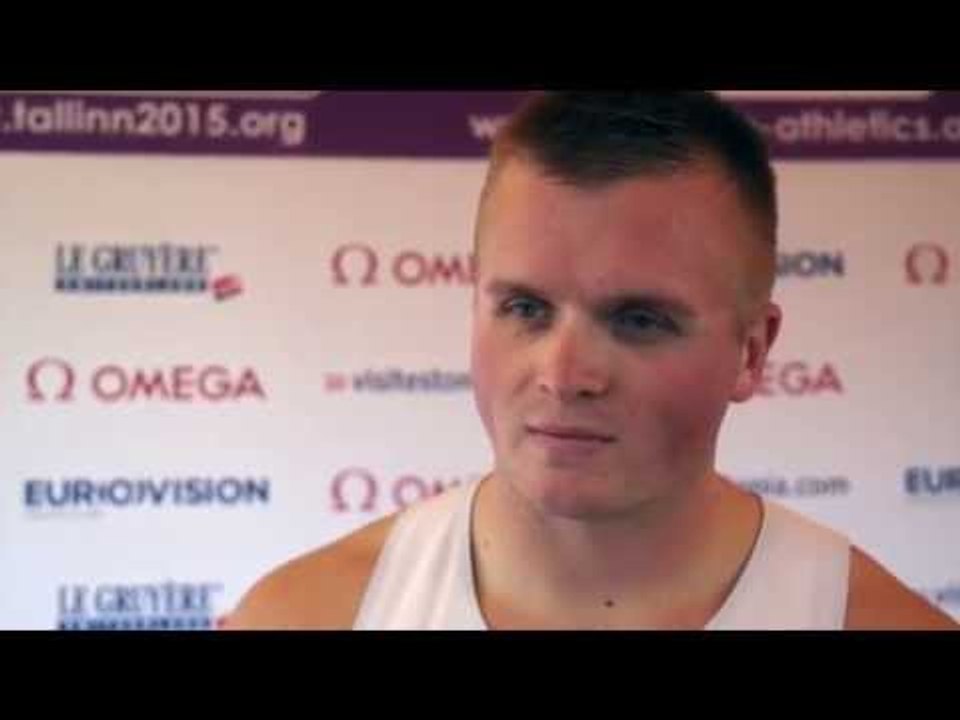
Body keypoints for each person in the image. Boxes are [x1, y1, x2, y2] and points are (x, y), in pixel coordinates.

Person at [225, 92, 957, 630]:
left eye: (638, 319)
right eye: (524, 309)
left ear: (753, 352)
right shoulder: (304, 615)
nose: (564, 374)